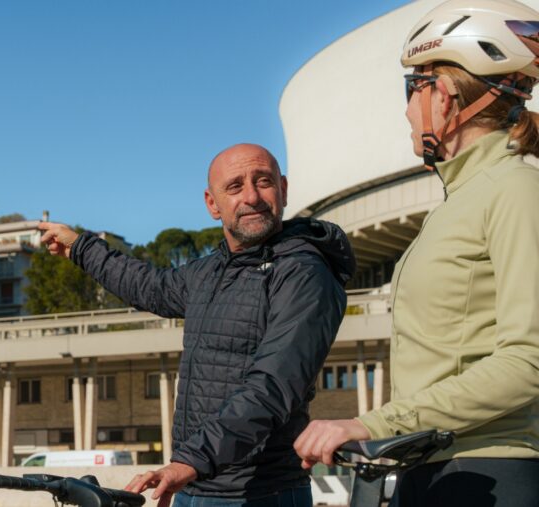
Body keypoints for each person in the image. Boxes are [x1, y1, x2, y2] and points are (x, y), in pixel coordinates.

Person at [294, 1, 539, 505]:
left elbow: (529, 360)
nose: (407, 109)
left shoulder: (515, 190)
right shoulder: (457, 202)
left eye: (414, 90)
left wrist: (372, 421)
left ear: (444, 98)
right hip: (432, 468)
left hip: (487, 472)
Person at [39, 144, 355, 507]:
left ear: (283, 189)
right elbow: (150, 286)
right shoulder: (212, 271)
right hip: (194, 486)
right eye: (235, 187)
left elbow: (272, 386)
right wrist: (81, 247)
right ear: (212, 203)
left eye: (263, 181)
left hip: (260, 493)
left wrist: (191, 460)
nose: (251, 196)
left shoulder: (303, 272)